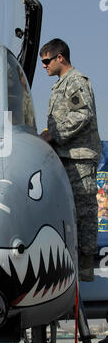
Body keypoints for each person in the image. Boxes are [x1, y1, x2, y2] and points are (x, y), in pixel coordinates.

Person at [39, 39, 102, 281]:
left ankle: (85, 270)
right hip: (66, 156)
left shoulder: (75, 82)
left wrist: (54, 134)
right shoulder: (60, 86)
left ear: (60, 58)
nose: (44, 66)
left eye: (46, 60)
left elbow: (82, 114)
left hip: (79, 158)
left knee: (84, 211)